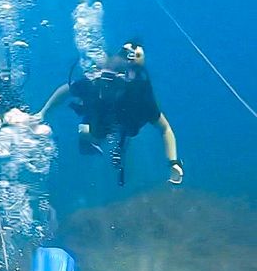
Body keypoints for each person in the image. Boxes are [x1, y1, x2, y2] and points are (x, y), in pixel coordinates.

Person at [33, 42, 182, 186]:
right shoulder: (97, 85)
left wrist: (173, 163)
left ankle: (115, 150)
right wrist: (42, 113)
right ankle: (94, 143)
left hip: (126, 124)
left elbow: (165, 128)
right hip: (100, 123)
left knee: (121, 142)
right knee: (88, 134)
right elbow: (66, 90)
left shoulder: (140, 97)